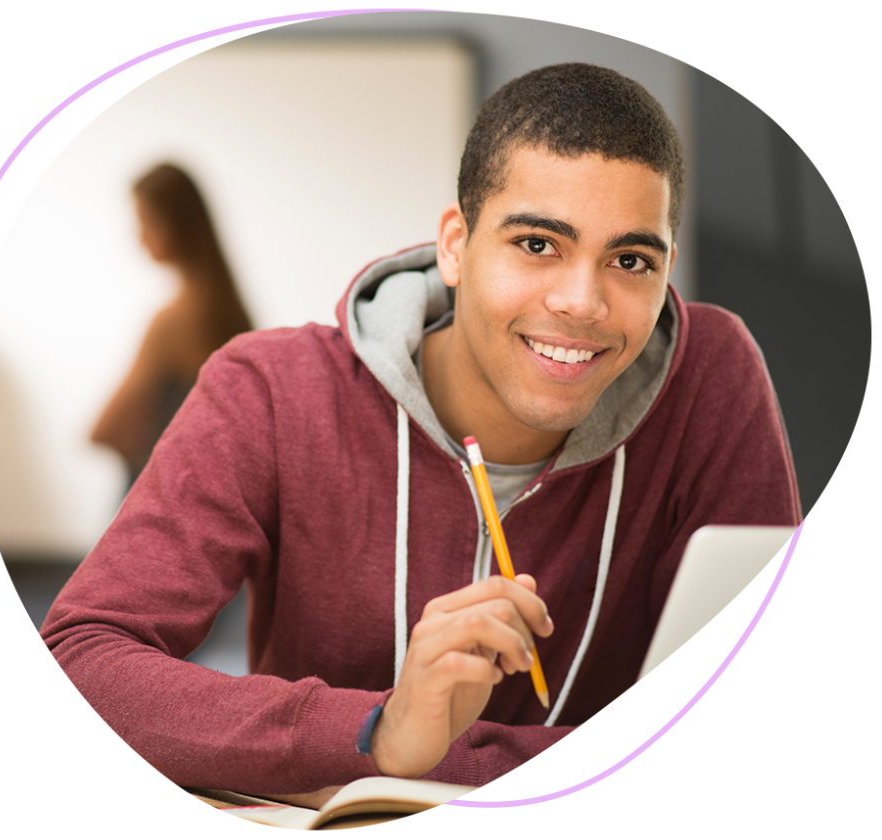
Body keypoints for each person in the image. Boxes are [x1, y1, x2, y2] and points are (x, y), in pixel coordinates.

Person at [40, 64, 801, 800]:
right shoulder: (273, 389)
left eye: (630, 259)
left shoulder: (711, 377)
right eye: (537, 244)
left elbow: (768, 719)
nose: (582, 302)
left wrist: (432, 770)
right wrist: (376, 729)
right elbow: (85, 655)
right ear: (454, 246)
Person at [91, 164, 252, 488]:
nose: (139, 236)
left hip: (159, 491)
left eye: (146, 221)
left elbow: (104, 429)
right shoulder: (235, 317)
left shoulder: (175, 320)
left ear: (179, 225)